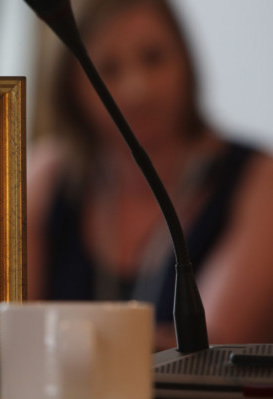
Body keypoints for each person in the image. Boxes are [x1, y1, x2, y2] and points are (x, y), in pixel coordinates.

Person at [27, 0, 273, 350]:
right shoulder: (45, 177)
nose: (137, 89)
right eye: (109, 68)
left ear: (185, 61)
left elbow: (212, 352)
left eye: (153, 57)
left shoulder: (258, 179)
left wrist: (65, 346)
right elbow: (7, 340)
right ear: (70, 86)